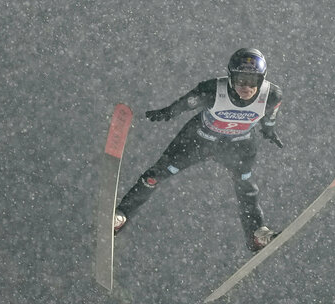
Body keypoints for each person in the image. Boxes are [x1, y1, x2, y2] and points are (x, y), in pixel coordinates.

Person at [114, 48, 284, 251]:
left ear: (262, 80)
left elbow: (270, 114)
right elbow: (187, 102)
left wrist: (268, 130)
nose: (246, 87)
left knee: (246, 186)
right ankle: (121, 215)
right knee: (155, 175)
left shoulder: (272, 95)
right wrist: (168, 112)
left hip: (239, 145)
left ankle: (256, 234)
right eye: (240, 80)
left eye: (252, 81)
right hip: (199, 141)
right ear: (231, 77)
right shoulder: (213, 89)